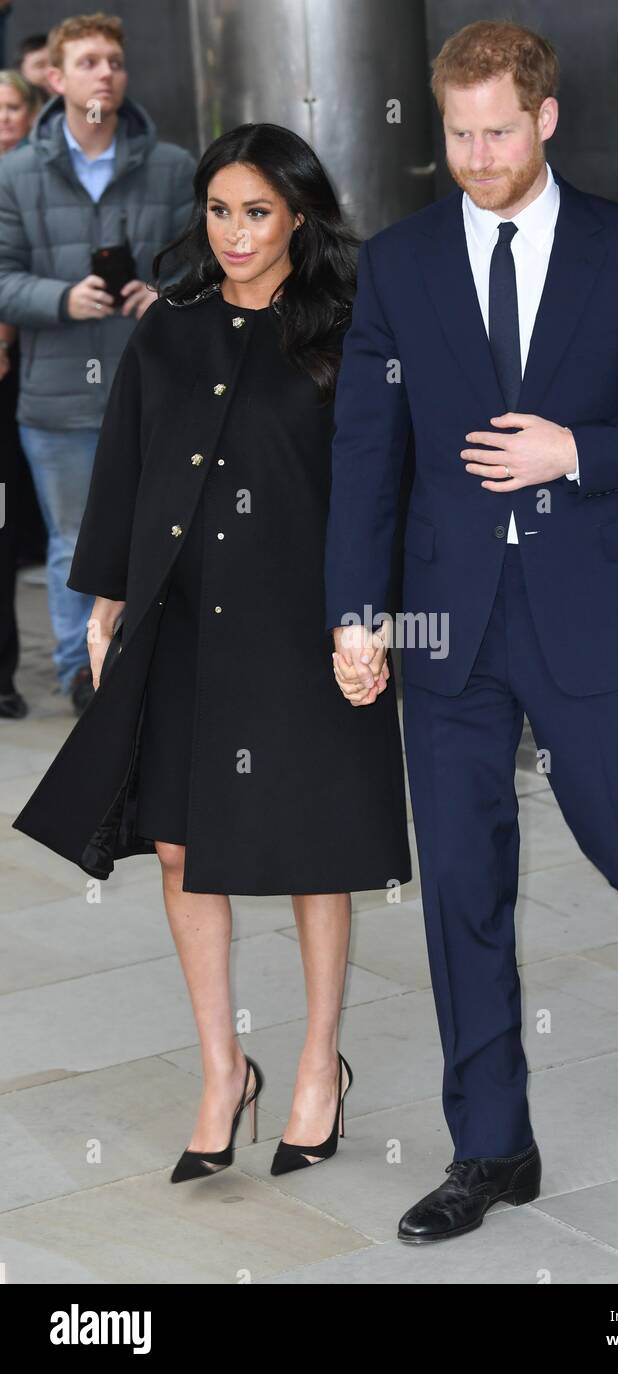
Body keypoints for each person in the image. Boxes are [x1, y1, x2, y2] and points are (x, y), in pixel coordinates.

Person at [325, 19, 618, 1244]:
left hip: (581, 610)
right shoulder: (402, 261)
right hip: (445, 625)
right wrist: (353, 610)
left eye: (497, 133)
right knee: (463, 887)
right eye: (457, 135)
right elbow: (368, 450)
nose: (476, 157)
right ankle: (491, 1145)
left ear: (545, 118)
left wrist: (576, 450)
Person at [12, 121, 412, 1182]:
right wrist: (104, 600)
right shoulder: (170, 331)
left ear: (297, 218)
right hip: (183, 621)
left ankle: (319, 1063)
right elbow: (127, 466)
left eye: (258, 213)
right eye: (220, 210)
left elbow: (380, 489)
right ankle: (220, 1068)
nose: (235, 234)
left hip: (303, 627)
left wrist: (368, 617)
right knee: (182, 846)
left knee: (311, 851)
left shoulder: (346, 332)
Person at [0, 12, 194, 714]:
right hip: (57, 401)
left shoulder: (172, 166)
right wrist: (60, 297)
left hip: (157, 394)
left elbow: (204, 264)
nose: (104, 73)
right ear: (54, 77)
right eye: (87, 62)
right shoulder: (14, 174)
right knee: (74, 545)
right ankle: (83, 674)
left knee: (164, 538)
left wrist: (164, 293)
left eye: (113, 60)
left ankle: (153, 663)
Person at [0, 68, 38, 717]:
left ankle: (2, 672)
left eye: (13, 107)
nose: (3, 118)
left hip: (23, 371)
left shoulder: (35, 180)